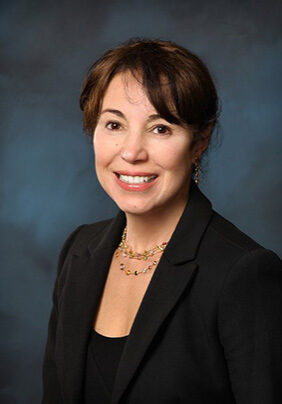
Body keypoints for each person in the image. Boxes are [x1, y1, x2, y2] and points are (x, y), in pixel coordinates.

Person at [41, 38, 282, 404]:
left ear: (200, 141)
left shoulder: (244, 274)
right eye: (113, 124)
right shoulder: (79, 251)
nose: (132, 152)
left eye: (160, 128)